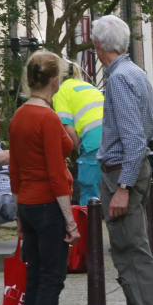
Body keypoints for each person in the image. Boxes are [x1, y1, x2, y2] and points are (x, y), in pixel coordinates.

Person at [93, 15, 153, 305]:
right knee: (129, 255)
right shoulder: (136, 72)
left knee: (133, 257)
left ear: (98, 45)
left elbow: (133, 138)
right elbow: (144, 131)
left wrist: (123, 186)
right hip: (127, 172)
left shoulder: (118, 79)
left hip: (121, 175)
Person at [9, 50, 86, 305]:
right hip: (48, 207)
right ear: (55, 81)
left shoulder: (18, 116)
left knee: (36, 279)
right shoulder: (48, 118)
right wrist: (70, 221)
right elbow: (57, 174)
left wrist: (18, 214)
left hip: (28, 205)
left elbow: (14, 169)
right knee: (51, 281)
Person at [52, 59, 104, 206]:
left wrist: (80, 152)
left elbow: (67, 127)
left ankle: (90, 221)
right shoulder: (90, 87)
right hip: (113, 138)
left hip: (92, 142)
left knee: (90, 198)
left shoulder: (61, 91)